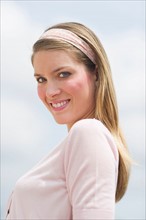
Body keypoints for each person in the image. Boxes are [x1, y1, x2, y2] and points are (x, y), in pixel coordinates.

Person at [6, 22, 131, 220]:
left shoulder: (88, 133)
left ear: (96, 73)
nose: (50, 92)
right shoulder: (74, 143)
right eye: (41, 79)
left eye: (63, 74)